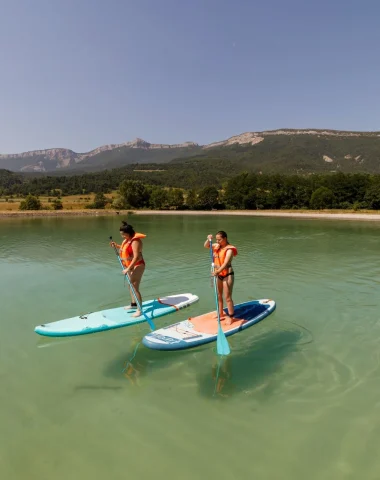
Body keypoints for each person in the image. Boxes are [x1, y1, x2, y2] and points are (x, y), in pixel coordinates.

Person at [110, 221, 146, 317]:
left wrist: (128, 268)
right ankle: (133, 304)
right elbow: (125, 249)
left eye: (123, 234)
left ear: (128, 233)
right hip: (130, 266)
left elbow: (136, 257)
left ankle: (139, 310)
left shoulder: (135, 241)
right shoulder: (127, 240)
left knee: (134, 286)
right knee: (130, 285)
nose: (122, 236)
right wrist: (116, 246)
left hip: (138, 265)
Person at [204, 230, 238, 325]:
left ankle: (231, 316)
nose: (217, 241)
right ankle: (220, 313)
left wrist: (218, 271)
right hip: (218, 274)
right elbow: (206, 246)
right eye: (216, 239)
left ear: (225, 239)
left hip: (227, 275)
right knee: (219, 295)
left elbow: (226, 262)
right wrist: (208, 239)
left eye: (219, 240)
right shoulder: (216, 246)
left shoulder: (229, 249)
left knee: (227, 297)